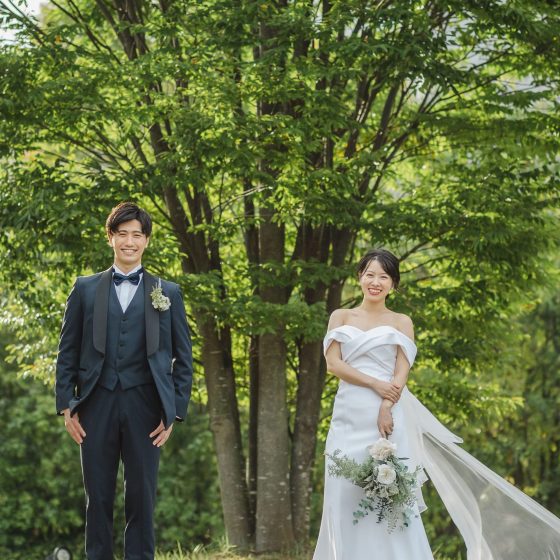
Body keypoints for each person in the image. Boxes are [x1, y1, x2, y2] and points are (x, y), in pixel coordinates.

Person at [313, 248, 560, 560]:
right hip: (349, 413)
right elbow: (334, 364)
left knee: (390, 495)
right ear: (360, 277)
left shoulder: (401, 321)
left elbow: (401, 371)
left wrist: (386, 405)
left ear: (393, 284)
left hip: (387, 412)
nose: (375, 282)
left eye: (384, 277)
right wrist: (376, 384)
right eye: (370, 274)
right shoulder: (341, 316)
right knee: (344, 490)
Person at [55, 202, 193, 560]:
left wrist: (174, 412)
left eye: (136, 235)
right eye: (122, 234)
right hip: (95, 405)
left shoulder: (168, 292)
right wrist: (67, 406)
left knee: (142, 499)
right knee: (98, 498)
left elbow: (184, 359)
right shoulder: (84, 289)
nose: (129, 242)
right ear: (110, 238)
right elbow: (67, 352)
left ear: (146, 240)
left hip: (146, 409)